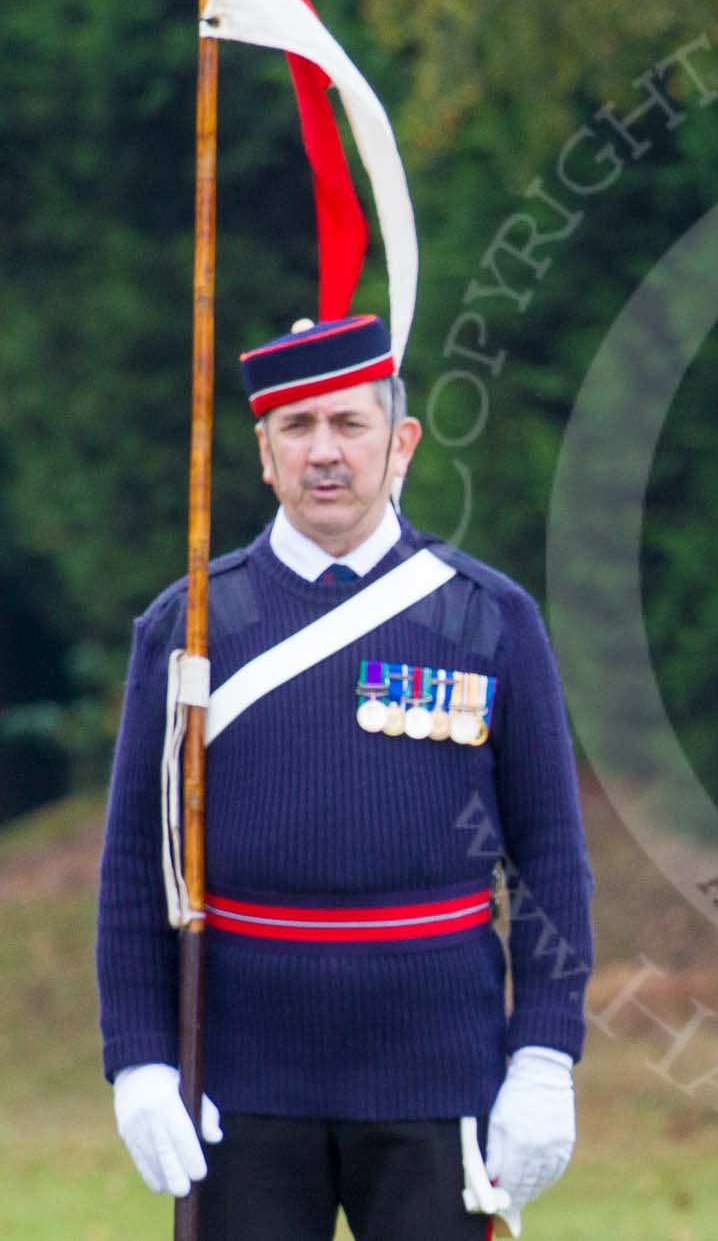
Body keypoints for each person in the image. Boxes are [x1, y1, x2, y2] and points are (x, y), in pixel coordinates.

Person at [95, 313, 593, 1239]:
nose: (324, 452)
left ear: (399, 441)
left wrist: (545, 1052)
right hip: (239, 1075)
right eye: (297, 426)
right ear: (263, 452)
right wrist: (140, 1058)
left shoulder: (488, 617)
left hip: (439, 1065)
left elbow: (552, 856)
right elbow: (136, 858)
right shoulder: (191, 623)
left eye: (349, 425)